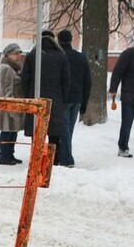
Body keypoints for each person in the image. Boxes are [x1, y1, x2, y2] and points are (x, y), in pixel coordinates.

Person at [21, 30, 70, 160]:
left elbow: (25, 78)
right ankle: (53, 159)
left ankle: (36, 158)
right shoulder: (61, 56)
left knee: (36, 131)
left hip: (35, 98)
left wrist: (28, 97)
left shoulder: (33, 55)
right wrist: (62, 98)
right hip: (55, 99)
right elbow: (66, 81)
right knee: (54, 132)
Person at [57, 29, 92, 167]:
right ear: (71, 40)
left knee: (64, 129)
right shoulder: (81, 57)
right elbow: (87, 82)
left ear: (58, 40)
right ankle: (65, 155)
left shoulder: (59, 56)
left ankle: (66, 158)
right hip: (77, 98)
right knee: (68, 129)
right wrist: (84, 102)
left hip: (63, 98)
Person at [0, 43, 26, 165]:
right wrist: (12, 108)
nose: (18, 56)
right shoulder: (6, 68)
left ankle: (10, 154)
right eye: (15, 53)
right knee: (7, 131)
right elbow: (6, 90)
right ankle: (4, 156)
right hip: (8, 107)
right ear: (8, 54)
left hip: (15, 105)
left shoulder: (15, 67)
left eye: (19, 53)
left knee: (13, 131)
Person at [109, 44, 134, 158]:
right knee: (127, 123)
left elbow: (117, 71)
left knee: (126, 123)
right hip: (129, 95)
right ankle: (123, 147)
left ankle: (123, 147)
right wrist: (113, 88)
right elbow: (118, 72)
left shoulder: (127, 54)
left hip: (128, 94)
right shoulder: (128, 54)